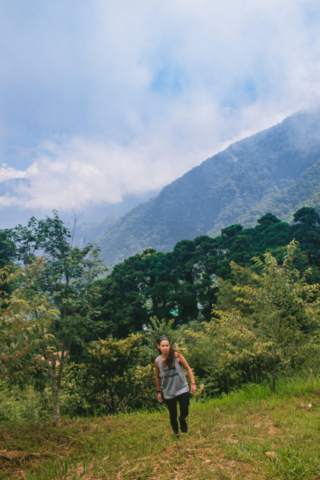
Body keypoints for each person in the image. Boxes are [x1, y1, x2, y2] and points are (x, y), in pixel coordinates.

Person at [155, 334, 197, 437]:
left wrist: (193, 383)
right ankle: (176, 434)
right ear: (158, 347)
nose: (165, 348)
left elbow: (187, 367)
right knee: (172, 414)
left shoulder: (177, 355)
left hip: (181, 387)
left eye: (167, 345)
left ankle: (182, 418)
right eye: (163, 346)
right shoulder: (157, 361)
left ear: (170, 346)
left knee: (184, 409)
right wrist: (158, 391)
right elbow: (157, 377)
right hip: (169, 391)